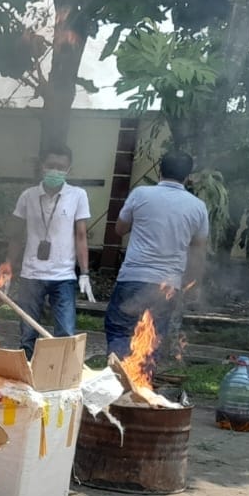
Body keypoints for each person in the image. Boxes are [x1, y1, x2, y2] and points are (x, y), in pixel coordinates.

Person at [104, 151, 209, 359]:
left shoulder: (140, 194)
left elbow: (120, 229)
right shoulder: (198, 207)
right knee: (153, 337)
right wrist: (194, 285)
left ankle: (116, 380)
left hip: (134, 277)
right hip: (168, 285)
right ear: (188, 176)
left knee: (119, 330)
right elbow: (198, 251)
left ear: (160, 171)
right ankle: (142, 385)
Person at [7, 144, 93, 356]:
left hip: (63, 275)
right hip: (31, 273)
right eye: (51, 165)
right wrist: (7, 268)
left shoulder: (78, 195)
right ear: (41, 166)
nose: (55, 170)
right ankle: (25, 377)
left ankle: (61, 379)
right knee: (28, 333)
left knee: (65, 332)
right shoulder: (28, 196)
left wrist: (84, 273)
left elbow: (81, 235)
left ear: (69, 169)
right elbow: (16, 235)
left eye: (61, 167)